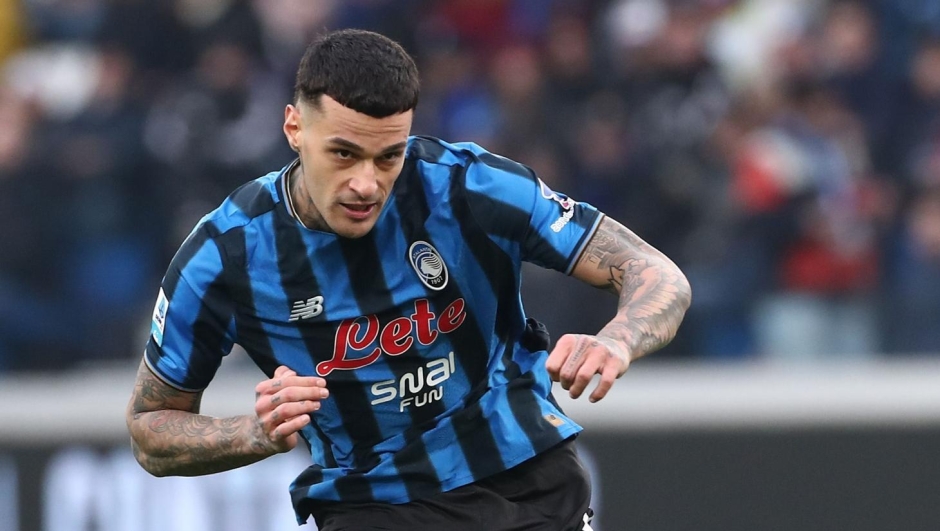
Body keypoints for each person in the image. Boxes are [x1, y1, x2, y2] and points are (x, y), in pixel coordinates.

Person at [126, 29, 691, 531]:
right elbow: (150, 429)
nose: (367, 184)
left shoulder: (467, 186)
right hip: (371, 507)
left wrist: (617, 339)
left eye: (388, 156)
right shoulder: (224, 255)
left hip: (529, 485)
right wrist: (253, 434)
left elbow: (654, 272)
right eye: (343, 154)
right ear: (294, 127)